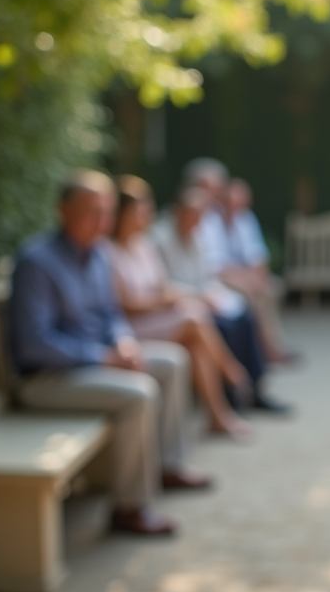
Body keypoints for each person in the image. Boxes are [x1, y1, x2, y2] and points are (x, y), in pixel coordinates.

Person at [9, 170, 211, 537]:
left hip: (95, 363)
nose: (102, 220)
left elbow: (111, 314)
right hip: (48, 377)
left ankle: (167, 465)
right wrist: (105, 359)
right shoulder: (36, 263)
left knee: (171, 361)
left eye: (106, 211)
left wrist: (124, 343)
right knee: (139, 393)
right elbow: (34, 344)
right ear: (62, 211)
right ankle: (130, 508)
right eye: (92, 211)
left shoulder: (100, 254)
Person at [107, 175, 252, 438]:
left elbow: (163, 286)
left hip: (153, 318)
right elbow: (125, 305)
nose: (146, 216)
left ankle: (218, 417)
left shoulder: (143, 244)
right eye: (140, 210)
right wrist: (168, 301)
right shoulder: (109, 252)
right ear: (123, 213)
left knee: (196, 342)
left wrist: (184, 297)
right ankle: (230, 370)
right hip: (130, 328)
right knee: (194, 320)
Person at [153, 186, 292, 415]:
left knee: (244, 317)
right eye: (192, 214)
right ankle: (232, 394)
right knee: (222, 327)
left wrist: (213, 295)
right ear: (178, 212)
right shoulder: (161, 240)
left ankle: (255, 388)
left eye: (200, 215)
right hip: (182, 306)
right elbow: (164, 285)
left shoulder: (196, 238)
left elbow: (206, 277)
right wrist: (199, 296)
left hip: (202, 299)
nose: (197, 221)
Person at [183, 159, 297, 365]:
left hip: (223, 275)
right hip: (210, 279)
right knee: (249, 294)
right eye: (210, 188)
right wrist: (246, 278)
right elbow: (214, 264)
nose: (215, 194)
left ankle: (267, 348)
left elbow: (256, 254)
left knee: (267, 288)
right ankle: (264, 352)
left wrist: (255, 276)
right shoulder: (199, 218)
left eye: (217, 188)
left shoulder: (220, 216)